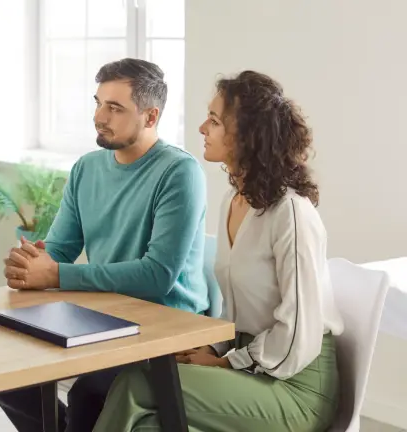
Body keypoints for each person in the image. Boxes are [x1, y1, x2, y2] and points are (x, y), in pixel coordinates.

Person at [93, 70, 345, 432]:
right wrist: (215, 351)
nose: (201, 129)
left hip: (295, 388)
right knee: (149, 425)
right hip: (252, 368)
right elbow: (237, 309)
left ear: (247, 135)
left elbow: (296, 339)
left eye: (213, 121)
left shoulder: (291, 214)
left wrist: (228, 363)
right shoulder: (234, 201)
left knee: (140, 382)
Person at [0, 58, 209, 432]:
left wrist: (56, 273)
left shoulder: (179, 173)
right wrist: (32, 265)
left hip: (162, 326)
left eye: (115, 108)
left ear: (151, 116)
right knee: (2, 371)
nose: (99, 117)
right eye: (98, 103)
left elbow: (157, 276)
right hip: (102, 315)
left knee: (88, 393)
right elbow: (59, 250)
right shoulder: (87, 168)